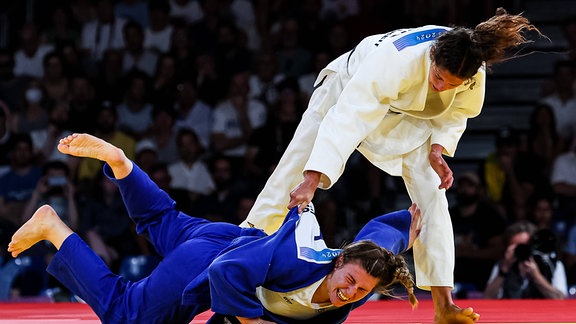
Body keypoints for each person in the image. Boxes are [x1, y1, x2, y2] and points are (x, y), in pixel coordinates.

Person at [242, 8, 541, 323]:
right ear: (432, 56)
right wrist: (312, 179)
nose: (443, 87)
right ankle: (239, 253)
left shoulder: (470, 69)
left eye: (451, 84)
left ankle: (443, 303)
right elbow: (348, 120)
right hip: (345, 90)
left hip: (411, 113)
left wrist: (439, 148)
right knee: (291, 174)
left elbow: (457, 113)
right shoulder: (393, 63)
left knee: (432, 194)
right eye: (439, 77)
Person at [8, 133, 421, 323]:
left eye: (360, 291)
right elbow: (227, 273)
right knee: (126, 316)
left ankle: (120, 163)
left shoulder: (363, 272)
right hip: (217, 259)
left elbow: (381, 241)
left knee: (160, 220)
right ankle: (53, 226)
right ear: (338, 262)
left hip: (228, 236)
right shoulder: (299, 263)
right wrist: (248, 322)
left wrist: (408, 224)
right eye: (349, 281)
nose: (349, 293)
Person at [484, 222, 567, 299]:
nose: (522, 250)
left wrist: (538, 277)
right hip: (510, 313)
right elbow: (488, 297)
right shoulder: (502, 265)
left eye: (526, 246)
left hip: (542, 313)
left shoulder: (553, 265)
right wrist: (504, 270)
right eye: (517, 246)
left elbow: (560, 298)